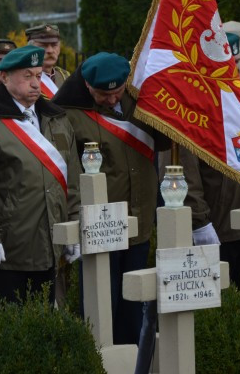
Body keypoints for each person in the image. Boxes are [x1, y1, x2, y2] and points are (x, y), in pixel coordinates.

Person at [52, 52, 169, 345]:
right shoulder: (67, 113)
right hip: (100, 224)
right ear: (88, 87)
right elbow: (65, 170)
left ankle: (134, 358)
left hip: (139, 219)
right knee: (102, 300)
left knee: (135, 302)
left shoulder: (140, 99)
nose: (113, 99)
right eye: (105, 94)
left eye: (118, 92)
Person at [0, 45, 80, 317]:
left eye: (37, 75)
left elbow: (73, 179)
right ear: (4, 78)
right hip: (8, 250)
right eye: (26, 76)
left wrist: (74, 225)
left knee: (44, 330)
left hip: (50, 246)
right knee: (6, 331)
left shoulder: (56, 119)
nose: (36, 84)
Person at [159, 31, 240, 293]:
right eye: (227, 65)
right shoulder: (190, 112)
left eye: (236, 64)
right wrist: (200, 222)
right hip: (218, 228)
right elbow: (184, 175)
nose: (233, 71)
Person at [25, 24, 70, 98]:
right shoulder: (24, 80)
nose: (50, 50)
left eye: (54, 45)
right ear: (30, 49)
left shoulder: (65, 77)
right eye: (43, 46)